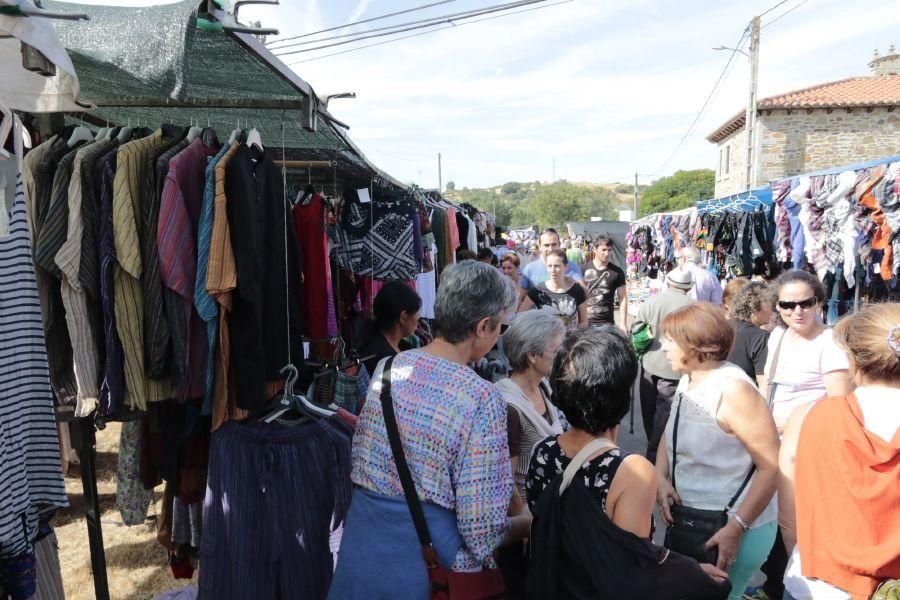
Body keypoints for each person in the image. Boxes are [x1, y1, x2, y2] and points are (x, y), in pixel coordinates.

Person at [330, 261, 527, 599]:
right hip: (428, 571)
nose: (499, 336)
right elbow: (482, 532)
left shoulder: (388, 367)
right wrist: (529, 522)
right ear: (482, 327)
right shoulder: (481, 397)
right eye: (501, 327)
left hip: (362, 554)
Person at [526, 327, 730, 598]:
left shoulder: (543, 451)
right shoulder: (631, 471)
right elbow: (631, 571)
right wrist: (689, 572)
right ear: (622, 394)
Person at [656, 303, 781, 600]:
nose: (663, 347)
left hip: (733, 530)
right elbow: (669, 432)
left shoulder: (734, 390)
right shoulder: (690, 378)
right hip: (695, 523)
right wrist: (660, 477)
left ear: (696, 346)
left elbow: (771, 467)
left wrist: (737, 527)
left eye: (669, 340)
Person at [778, 303, 900, 600]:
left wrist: (807, 557)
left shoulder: (806, 417)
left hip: (817, 582)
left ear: (852, 361)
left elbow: (788, 515)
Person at [745, 270, 852, 600]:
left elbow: (838, 408)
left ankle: (798, 585)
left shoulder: (829, 344)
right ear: (776, 306)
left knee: (797, 520)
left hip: (805, 446)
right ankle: (777, 583)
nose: (797, 311)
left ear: (818, 302)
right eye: (787, 305)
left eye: (806, 303)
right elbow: (769, 384)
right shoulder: (777, 335)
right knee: (773, 519)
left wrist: (789, 426)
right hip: (772, 442)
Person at [497, 311, 567, 506]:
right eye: (556, 351)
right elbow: (507, 485)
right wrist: (527, 523)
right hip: (532, 515)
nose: (563, 356)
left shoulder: (544, 385)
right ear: (532, 356)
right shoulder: (510, 407)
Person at [632, 268, 695, 463]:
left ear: (668, 282)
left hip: (650, 363)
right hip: (675, 368)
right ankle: (656, 453)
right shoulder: (693, 306)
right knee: (665, 412)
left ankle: (653, 451)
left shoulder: (653, 300)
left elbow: (636, 328)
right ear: (689, 287)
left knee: (650, 409)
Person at [358, 281, 422, 377]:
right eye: (417, 313)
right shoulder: (379, 358)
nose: (418, 318)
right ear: (403, 317)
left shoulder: (404, 347)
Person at [518, 249, 587, 329]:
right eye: (549, 266)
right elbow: (520, 315)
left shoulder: (577, 290)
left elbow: (584, 321)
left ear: (566, 267)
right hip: (544, 340)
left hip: (571, 340)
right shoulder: (538, 290)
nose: (552, 270)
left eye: (557, 266)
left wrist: (574, 333)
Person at [727, 282, 772, 388]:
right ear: (755, 305)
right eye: (769, 303)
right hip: (745, 397)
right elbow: (763, 384)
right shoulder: (760, 337)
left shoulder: (723, 326)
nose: (773, 309)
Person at [578, 235, 628, 331]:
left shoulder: (617, 272)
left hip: (606, 324)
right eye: (603, 250)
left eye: (609, 250)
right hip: (585, 323)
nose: (607, 253)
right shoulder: (582, 269)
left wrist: (623, 323)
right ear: (595, 249)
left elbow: (623, 297)